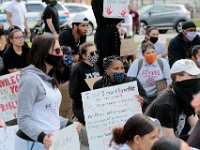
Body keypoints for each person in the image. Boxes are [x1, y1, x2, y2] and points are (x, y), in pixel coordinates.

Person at [15, 33, 80, 150]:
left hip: (51, 142)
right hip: (34, 144)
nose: (61, 54)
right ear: (44, 54)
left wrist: (69, 124)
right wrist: (42, 137)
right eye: (57, 51)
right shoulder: (30, 80)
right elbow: (23, 119)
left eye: (60, 50)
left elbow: (49, 114)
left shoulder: (49, 77)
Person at [145, 59, 200, 139]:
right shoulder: (166, 105)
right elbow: (168, 142)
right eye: (192, 76)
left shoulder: (184, 96)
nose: (196, 79)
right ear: (178, 78)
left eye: (197, 76)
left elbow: (195, 126)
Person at [127, 41, 171, 106]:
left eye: (153, 52)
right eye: (148, 53)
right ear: (143, 54)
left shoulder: (162, 62)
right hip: (142, 96)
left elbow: (169, 80)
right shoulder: (137, 63)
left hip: (158, 96)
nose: (151, 55)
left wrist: (166, 96)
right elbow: (129, 80)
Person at [69, 42, 100, 125]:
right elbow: (73, 93)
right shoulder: (78, 69)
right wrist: (88, 99)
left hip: (96, 105)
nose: (95, 55)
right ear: (84, 56)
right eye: (92, 53)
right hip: (81, 107)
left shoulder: (96, 67)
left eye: (96, 52)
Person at [92, 0, 122, 74]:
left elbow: (120, 16)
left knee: (115, 58)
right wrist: (116, 17)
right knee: (103, 60)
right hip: (103, 33)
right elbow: (101, 19)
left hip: (113, 32)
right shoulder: (96, 1)